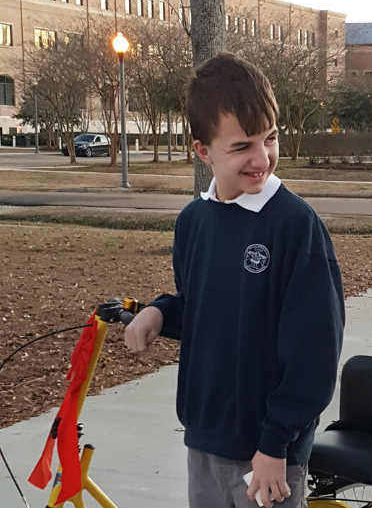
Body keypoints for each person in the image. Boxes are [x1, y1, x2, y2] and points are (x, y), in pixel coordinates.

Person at [124, 53, 345, 508]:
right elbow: (206, 308)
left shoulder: (294, 226)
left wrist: (274, 444)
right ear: (202, 150)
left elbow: (315, 355)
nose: (262, 158)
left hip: (269, 454)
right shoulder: (192, 222)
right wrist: (160, 312)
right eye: (242, 146)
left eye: (270, 138)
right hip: (204, 437)